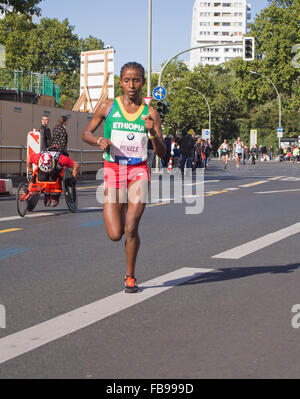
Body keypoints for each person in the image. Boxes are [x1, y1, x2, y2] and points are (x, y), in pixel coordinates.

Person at [82, 62, 166, 293]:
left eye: (136, 80)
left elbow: (162, 152)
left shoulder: (150, 114)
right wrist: (97, 140)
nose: (132, 85)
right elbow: (86, 133)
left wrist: (152, 134)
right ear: (120, 82)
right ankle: (119, 208)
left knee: (131, 227)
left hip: (138, 171)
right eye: (127, 80)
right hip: (113, 170)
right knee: (115, 234)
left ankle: (130, 276)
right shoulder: (107, 107)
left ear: (143, 82)